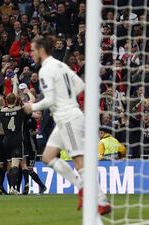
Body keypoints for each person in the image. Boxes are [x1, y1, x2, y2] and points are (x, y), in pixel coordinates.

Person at [23, 35, 111, 215]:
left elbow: (50, 99)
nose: (30, 53)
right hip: (66, 117)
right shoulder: (60, 65)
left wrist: (32, 106)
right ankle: (81, 187)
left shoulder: (46, 69)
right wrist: (67, 99)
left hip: (68, 118)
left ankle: (101, 201)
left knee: (79, 161)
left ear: (41, 50)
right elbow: (79, 84)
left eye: (32, 50)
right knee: (48, 157)